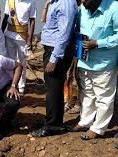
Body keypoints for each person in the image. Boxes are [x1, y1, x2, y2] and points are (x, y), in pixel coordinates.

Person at [69, 0, 118, 140]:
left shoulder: (114, 8)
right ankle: (85, 121)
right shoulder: (82, 9)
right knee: (87, 93)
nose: (82, 1)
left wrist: (98, 43)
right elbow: (78, 30)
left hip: (104, 63)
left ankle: (98, 128)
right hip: (84, 61)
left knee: (104, 97)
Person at [31, 0, 78, 137]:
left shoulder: (65, 3)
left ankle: (53, 125)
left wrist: (54, 58)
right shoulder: (55, 2)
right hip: (52, 48)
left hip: (56, 51)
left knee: (53, 89)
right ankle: (51, 120)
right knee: (52, 88)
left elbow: (64, 33)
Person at [1, 0, 36, 95]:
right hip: (9, 34)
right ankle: (12, 84)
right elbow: (5, 17)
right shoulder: (9, 1)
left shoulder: (31, 2)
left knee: (22, 62)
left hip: (22, 36)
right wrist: (1, 33)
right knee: (10, 61)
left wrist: (30, 39)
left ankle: (21, 87)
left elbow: (32, 21)